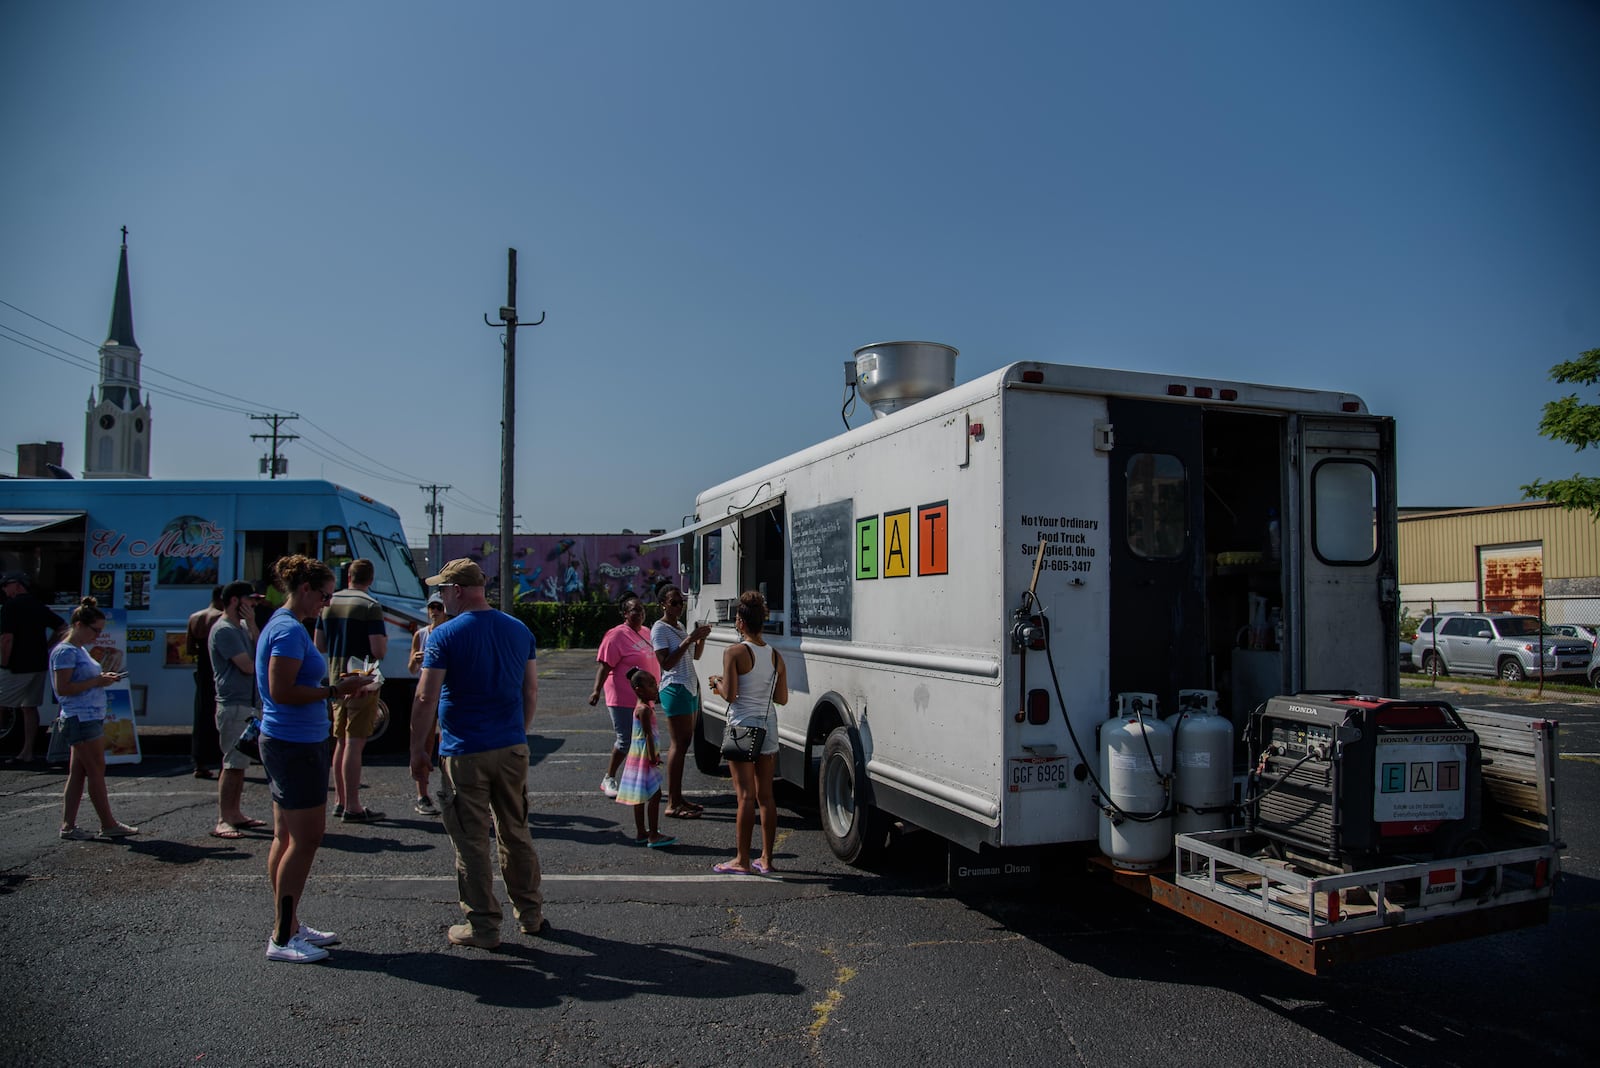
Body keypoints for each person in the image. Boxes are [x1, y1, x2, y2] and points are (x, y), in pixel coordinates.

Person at [410, 558, 544, 950]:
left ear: (458, 590)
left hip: (464, 750)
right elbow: (530, 690)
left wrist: (419, 749)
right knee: (515, 831)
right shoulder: (518, 630)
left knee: (471, 841)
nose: (440, 597)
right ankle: (530, 914)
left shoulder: (444, 635)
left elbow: (425, 696)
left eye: (443, 590)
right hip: (511, 746)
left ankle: (483, 926)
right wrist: (520, 731)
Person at [257, 554, 370, 963]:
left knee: (285, 838)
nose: (325, 604)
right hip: (294, 743)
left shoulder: (283, 625)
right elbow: (281, 690)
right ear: (305, 590)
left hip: (288, 740)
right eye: (324, 596)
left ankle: (287, 926)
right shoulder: (288, 631)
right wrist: (334, 691)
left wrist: (335, 689)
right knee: (306, 840)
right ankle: (282, 937)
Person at [708, 591, 787, 876]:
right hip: (768, 726)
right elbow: (782, 698)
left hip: (742, 725)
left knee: (744, 796)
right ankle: (766, 858)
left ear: (740, 622)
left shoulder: (735, 652)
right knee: (766, 796)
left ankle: (741, 859)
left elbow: (730, 695)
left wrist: (716, 683)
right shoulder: (776, 655)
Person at [52, 597, 139, 841]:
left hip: (85, 715)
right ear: (79, 624)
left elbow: (76, 683)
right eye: (95, 630)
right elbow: (64, 688)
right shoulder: (66, 651)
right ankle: (107, 823)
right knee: (96, 770)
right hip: (80, 716)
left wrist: (101, 678)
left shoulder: (77, 650)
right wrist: (98, 681)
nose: (98, 636)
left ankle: (69, 825)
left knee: (79, 772)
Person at [315, 558, 387, 822]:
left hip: (336, 680)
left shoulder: (329, 603)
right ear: (371, 579)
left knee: (341, 742)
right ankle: (353, 807)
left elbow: (319, 644)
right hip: (361, 679)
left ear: (348, 577)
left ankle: (339, 800)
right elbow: (378, 650)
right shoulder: (370, 605)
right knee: (356, 743)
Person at [208, 580, 266, 839]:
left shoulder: (241, 627)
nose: (254, 605)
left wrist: (252, 623)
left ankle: (235, 813)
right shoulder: (224, 630)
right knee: (232, 763)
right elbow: (249, 665)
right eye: (250, 600)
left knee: (240, 763)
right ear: (235, 601)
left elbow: (260, 647)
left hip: (248, 703)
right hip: (233, 704)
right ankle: (224, 818)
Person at [587, 594, 659, 798]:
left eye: (642, 609)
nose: (640, 613)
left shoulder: (646, 632)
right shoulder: (616, 635)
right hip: (622, 695)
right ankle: (609, 777)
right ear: (625, 613)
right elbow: (604, 666)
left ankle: (639, 779)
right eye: (635, 609)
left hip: (645, 696)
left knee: (643, 740)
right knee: (625, 740)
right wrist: (596, 691)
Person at [650, 584, 712, 817]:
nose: (678, 606)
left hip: (688, 685)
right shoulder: (659, 628)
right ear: (663, 604)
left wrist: (700, 638)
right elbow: (665, 663)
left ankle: (678, 797)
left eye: (680, 602)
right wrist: (689, 639)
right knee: (679, 743)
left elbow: (695, 655)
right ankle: (672, 803)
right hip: (675, 687)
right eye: (674, 602)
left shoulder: (678, 626)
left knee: (685, 743)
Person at [1, 571, 66, 764]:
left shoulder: (10, 606)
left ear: (18, 586)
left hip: (15, 666)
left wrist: (3, 663)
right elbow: (63, 628)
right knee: (29, 708)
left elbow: (6, 639)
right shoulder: (38, 605)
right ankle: (27, 752)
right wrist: (47, 646)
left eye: (7, 584)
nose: (4, 589)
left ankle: (24, 753)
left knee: (2, 705)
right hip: (38, 665)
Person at [617, 667, 674, 847]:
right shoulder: (644, 710)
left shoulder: (642, 707)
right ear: (638, 690)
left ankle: (642, 831)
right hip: (644, 758)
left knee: (640, 796)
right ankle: (653, 835)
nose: (655, 688)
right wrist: (653, 757)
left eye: (655, 684)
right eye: (650, 685)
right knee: (654, 795)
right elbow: (648, 735)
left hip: (637, 757)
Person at [405, 592, 447, 816]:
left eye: (439, 607)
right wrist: (415, 659)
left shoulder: (450, 632)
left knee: (447, 741)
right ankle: (422, 794)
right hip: (424, 688)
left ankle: (452, 791)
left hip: (445, 690)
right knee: (423, 741)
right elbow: (411, 668)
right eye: (431, 607)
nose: (434, 612)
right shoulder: (420, 634)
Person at [186, 586, 225, 779]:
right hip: (217, 668)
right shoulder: (219, 618)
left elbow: (190, 648)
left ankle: (199, 762)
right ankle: (219, 760)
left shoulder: (194, 617)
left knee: (200, 713)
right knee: (217, 713)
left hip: (201, 668)